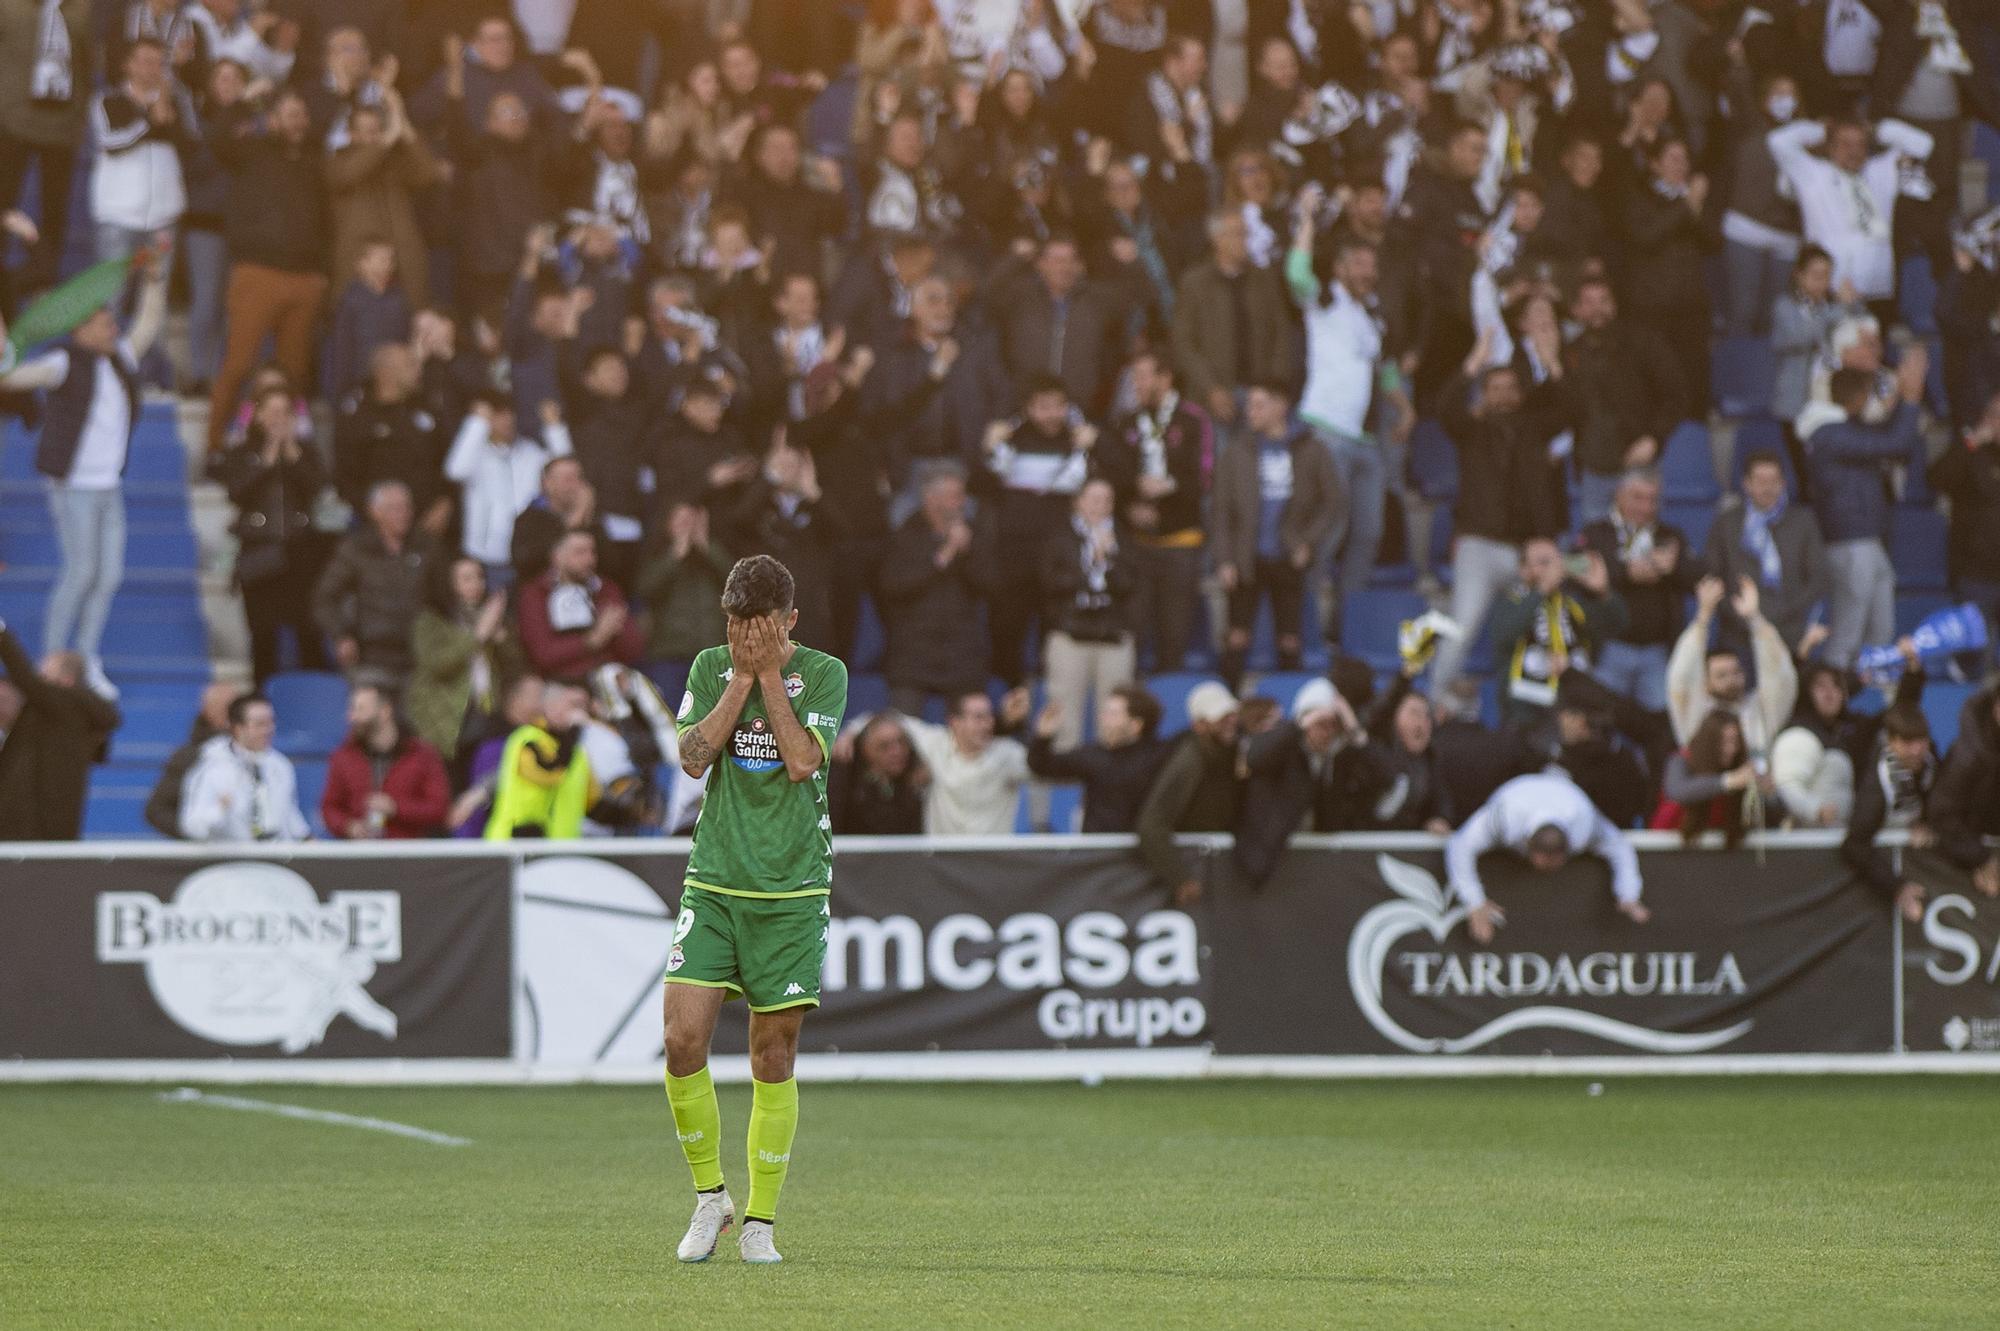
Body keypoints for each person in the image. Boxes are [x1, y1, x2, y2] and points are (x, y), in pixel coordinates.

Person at [665, 555, 848, 1267]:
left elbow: (803, 759)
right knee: (682, 1040)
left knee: (772, 1054)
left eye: (757, 628)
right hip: (713, 882)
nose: (742, 636)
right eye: (735, 623)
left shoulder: (825, 673)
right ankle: (710, 1197)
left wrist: (770, 675)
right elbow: (691, 755)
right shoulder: (713, 665)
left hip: (792, 889)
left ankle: (761, 1221)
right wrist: (741, 676)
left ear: (789, 622)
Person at [0, 246, 168, 699]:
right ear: (81, 329)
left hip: (108, 485)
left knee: (109, 574)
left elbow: (148, 324)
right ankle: (52, 658)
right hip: (73, 484)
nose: (114, 326)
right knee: (80, 571)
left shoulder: (117, 359)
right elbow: (15, 378)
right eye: (104, 322)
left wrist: (152, 279)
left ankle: (86, 657)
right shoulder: (62, 361)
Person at [1211, 381, 1342, 686]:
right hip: (1246, 557)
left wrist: (1308, 541)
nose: (1250, 412)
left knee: (1289, 641)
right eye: (1248, 405)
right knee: (1237, 637)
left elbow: (1333, 500)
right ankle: (1227, 708)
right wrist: (1224, 559)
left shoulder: (1311, 448)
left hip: (1289, 557)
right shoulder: (1236, 451)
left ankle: (1290, 709)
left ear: (1280, 407)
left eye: (1258, 404)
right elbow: (1221, 512)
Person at [1095, 350, 1213, 671]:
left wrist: (1170, 487)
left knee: (1173, 638)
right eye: (1134, 377)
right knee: (1132, 632)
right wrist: (1133, 498)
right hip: (1137, 546)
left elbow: (1204, 475)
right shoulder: (1126, 422)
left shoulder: (1193, 420)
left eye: (1144, 376)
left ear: (1165, 378)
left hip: (1181, 543)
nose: (1137, 384)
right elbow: (1112, 475)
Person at [1804, 361, 1926, 668]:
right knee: (1848, 632)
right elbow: (1893, 443)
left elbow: (1897, 444)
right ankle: (1833, 699)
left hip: (1867, 539)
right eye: (1870, 394)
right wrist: (1910, 401)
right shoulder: (1828, 434)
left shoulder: (1848, 429)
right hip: (1849, 541)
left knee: (1880, 631)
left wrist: (1899, 407)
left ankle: (1874, 703)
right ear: (1857, 397)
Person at [211, 385, 331, 685]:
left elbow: (316, 489)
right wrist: (266, 459)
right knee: (263, 634)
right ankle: (263, 702)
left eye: (285, 412)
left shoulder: (307, 452)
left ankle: (309, 701)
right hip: (259, 553)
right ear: (259, 416)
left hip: (300, 552)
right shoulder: (242, 452)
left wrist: (291, 453)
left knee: (308, 632)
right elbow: (237, 493)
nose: (279, 419)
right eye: (272, 411)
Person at [1445, 772, 1651, 945]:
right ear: (1528, 847)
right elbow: (1460, 845)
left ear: (1566, 852)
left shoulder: (1583, 822)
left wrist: (1628, 894)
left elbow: (1619, 847)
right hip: (1517, 792)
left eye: (1555, 861)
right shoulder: (1505, 818)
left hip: (1566, 794)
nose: (1547, 869)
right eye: (1544, 859)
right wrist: (1474, 902)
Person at [1839, 705, 1983, 924]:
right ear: (1891, 742)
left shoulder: (1931, 762)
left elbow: (1946, 807)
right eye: (1907, 742)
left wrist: (1927, 823)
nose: (1917, 750)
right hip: (1885, 884)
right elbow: (1855, 844)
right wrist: (1896, 888)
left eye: (1921, 740)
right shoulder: (1877, 785)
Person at [878, 466, 998, 717]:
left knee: (971, 725)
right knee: (903, 728)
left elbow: (991, 585)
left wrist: (967, 553)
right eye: (955, 496)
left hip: (963, 653)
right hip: (914, 653)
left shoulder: (975, 535)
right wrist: (943, 557)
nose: (962, 503)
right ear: (931, 499)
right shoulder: (905, 535)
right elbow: (894, 586)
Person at [1577, 471, 1694, 713]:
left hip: (1657, 651)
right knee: (1600, 717)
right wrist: (1625, 572)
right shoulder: (1596, 533)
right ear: (1618, 496)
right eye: (1637, 498)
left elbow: (1698, 579)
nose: (1646, 507)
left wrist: (1673, 569)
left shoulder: (1669, 536)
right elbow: (1573, 569)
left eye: (1653, 499)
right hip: (1609, 648)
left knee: (1662, 721)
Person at [1489, 537, 1626, 735]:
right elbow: (1504, 635)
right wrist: (1542, 590)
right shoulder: (1511, 599)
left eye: (1557, 561)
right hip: (1528, 711)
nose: (1555, 568)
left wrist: (1603, 592)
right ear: (1523, 569)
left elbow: (1617, 625)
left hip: (1577, 707)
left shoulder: (1573, 600)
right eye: (1544, 563)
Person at [1171, 209, 1295, 428]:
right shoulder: (1195, 284)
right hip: (1214, 397)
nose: (1244, 241)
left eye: (1245, 234)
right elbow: (1183, 342)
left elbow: (1281, 334)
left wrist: (1275, 388)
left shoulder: (1264, 280)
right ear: (1217, 239)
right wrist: (1210, 388)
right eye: (1238, 234)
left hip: (1260, 394)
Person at [1234, 678, 1363, 886]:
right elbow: (1254, 757)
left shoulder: (1330, 760)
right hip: (1259, 866)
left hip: (1305, 868)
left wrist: (1355, 729)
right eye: (1321, 724)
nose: (1327, 733)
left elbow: (1387, 777)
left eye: (1333, 726)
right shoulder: (1283, 750)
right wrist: (1299, 723)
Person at [1038, 478, 1135, 750]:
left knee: (1116, 718)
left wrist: (1110, 559)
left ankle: (1112, 785)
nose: (1100, 506)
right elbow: (1049, 584)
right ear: (1078, 501)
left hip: (1113, 636)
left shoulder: (1123, 538)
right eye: (1093, 499)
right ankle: (1064, 789)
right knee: (1065, 719)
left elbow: (1131, 586)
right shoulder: (1057, 537)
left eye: (1107, 500)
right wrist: (1090, 563)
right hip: (1069, 634)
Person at [1701, 450, 1830, 654]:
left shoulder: (1803, 521)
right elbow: (1712, 574)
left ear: (1783, 483)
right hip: (1737, 635)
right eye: (1760, 481)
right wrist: (1739, 612)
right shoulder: (1727, 523)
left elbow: (1818, 577)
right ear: (1746, 483)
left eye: (1773, 480)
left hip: (1790, 635)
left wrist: (1784, 611)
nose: (1767, 488)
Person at [0, 622, 119, 841]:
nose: (39, 682)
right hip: (39, 825)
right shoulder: (61, 717)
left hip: (41, 830)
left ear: (66, 680)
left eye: (45, 675)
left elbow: (24, 678)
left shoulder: (68, 705)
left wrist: (3, 636)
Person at [313, 479, 438, 683]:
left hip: (420, 654)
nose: (403, 513)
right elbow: (324, 599)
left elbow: (444, 597)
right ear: (374, 511)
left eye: (406, 507)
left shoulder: (426, 547)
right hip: (371, 656)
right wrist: (340, 635)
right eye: (394, 508)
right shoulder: (355, 550)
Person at [1667, 575, 1799, 763]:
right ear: (1705, 682)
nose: (1731, 679)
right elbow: (1681, 676)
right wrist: (1703, 617)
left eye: (1736, 672)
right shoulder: (1695, 715)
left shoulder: (1759, 712)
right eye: (1721, 675)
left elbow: (1781, 678)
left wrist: (1754, 618)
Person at [408, 556, 522, 769]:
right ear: (449, 583)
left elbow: (516, 666)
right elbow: (437, 664)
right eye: (466, 579)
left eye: (480, 577)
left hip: (489, 713)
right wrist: (478, 636)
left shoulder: (492, 617)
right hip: (446, 718)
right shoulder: (431, 620)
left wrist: (502, 639)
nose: (476, 584)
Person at [1135, 681, 1242, 906]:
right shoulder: (1189, 761)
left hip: (1225, 868)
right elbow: (1151, 823)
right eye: (1221, 718)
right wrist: (1180, 878)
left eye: (1231, 715)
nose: (1230, 722)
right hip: (1194, 868)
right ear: (1199, 725)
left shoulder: (1238, 750)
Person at [445, 397, 573, 585]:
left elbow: (565, 470)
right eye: (498, 415)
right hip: (483, 558)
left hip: (525, 554)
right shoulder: (476, 453)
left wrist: (554, 426)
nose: (507, 420)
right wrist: (477, 422)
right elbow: (455, 471)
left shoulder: (530, 452)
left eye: (510, 413)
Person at [1024, 686, 1167, 834]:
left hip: (1141, 849)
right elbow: (1041, 766)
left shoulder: (1161, 759)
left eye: (1113, 714)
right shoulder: (1094, 756)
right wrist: (1043, 737)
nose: (1103, 719)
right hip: (1098, 850)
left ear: (1135, 725)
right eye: (1104, 712)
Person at [894, 690, 1032, 837]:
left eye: (990, 716)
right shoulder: (935, 744)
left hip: (993, 858)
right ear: (955, 722)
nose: (988, 724)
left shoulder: (1008, 754)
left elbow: (1043, 770)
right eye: (979, 717)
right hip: (941, 857)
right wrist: (910, 766)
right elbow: (882, 721)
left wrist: (1043, 736)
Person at [321, 684, 450, 839]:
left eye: (360, 709)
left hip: (411, 854)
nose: (351, 717)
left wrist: (396, 808)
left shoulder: (422, 755)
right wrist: (349, 827)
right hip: (361, 854)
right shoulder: (343, 756)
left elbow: (439, 808)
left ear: (384, 711)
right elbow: (329, 807)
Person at [180, 693, 312, 841]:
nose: (268, 730)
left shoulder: (280, 765)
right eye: (260, 724)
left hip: (275, 857)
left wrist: (306, 838)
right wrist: (219, 811)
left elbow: (289, 814)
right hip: (230, 859)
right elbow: (192, 827)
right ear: (238, 728)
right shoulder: (211, 768)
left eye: (271, 722)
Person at [1928, 389, 2000, 658]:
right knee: (1973, 656)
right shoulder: (1970, 453)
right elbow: (1937, 478)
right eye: (1995, 416)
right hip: (1976, 573)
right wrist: (1971, 442)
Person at [483, 678, 599, 840]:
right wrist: (573, 735)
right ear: (552, 706)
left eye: (583, 706)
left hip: (562, 850)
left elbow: (592, 799)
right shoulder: (528, 739)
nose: (579, 712)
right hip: (516, 845)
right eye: (573, 704)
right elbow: (548, 773)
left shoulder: (576, 752)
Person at [516, 530, 643, 679]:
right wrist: (591, 640)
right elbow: (543, 654)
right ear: (557, 557)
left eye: (592, 552)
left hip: (608, 677)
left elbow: (634, 651)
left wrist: (619, 631)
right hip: (560, 683)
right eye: (580, 552)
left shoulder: (606, 590)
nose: (590, 559)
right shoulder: (536, 594)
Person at [1653, 711, 1771, 848]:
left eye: (1735, 741)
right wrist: (1728, 781)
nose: (1731, 749)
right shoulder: (1682, 760)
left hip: (1718, 852)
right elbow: (1677, 791)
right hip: (1668, 846)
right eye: (1724, 742)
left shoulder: (1740, 767)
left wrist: (1764, 791)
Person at [144, 680, 246, 838]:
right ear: (207, 711)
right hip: (207, 855)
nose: (231, 715)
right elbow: (157, 810)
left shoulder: (265, 758)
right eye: (225, 708)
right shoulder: (189, 758)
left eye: (236, 708)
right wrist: (194, 833)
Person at [827, 713, 926, 836]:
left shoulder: (914, 784)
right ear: (865, 749)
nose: (897, 751)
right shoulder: (843, 786)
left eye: (901, 742)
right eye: (884, 746)